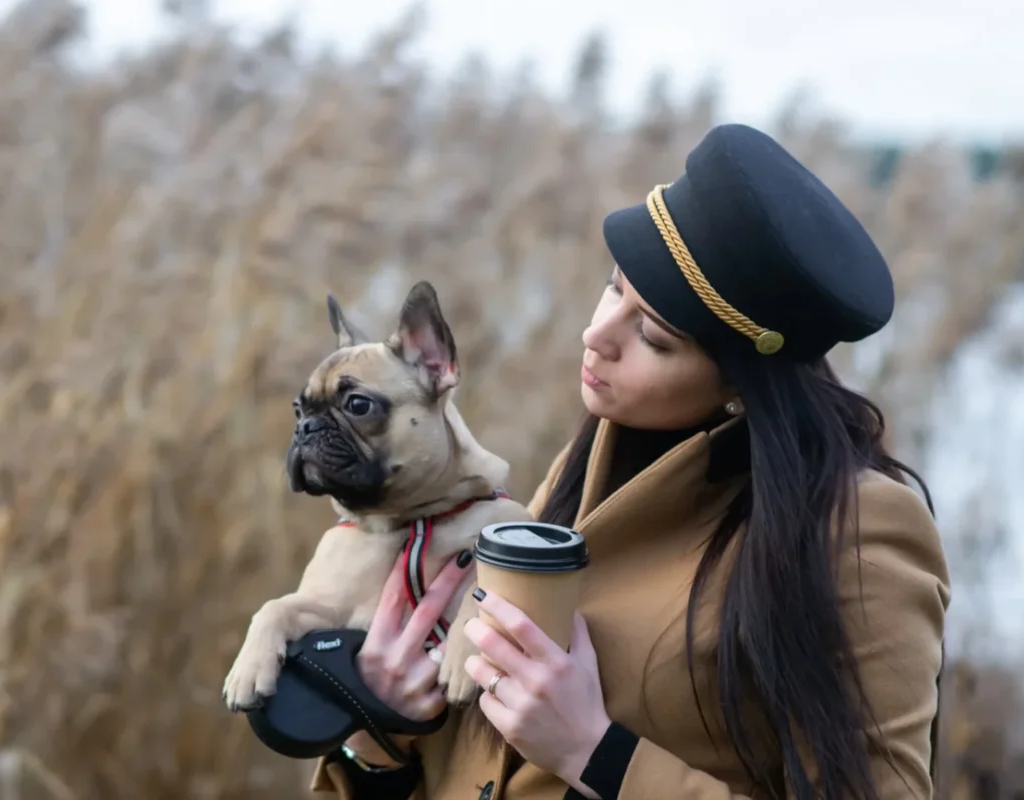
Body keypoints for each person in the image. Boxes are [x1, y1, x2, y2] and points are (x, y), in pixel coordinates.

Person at [307, 123, 950, 800]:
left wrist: (596, 751)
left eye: (650, 334)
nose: (596, 334)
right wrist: (380, 731)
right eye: (614, 289)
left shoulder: (858, 531)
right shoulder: (578, 472)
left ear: (742, 381)